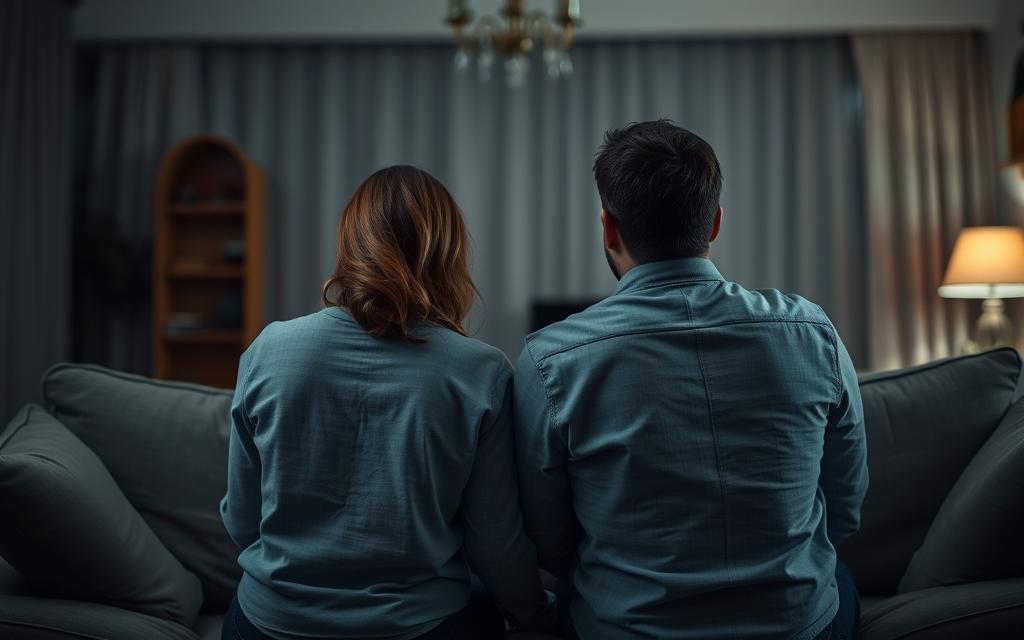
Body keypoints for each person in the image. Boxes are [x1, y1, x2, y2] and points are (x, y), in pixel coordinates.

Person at [513, 120, 868, 640]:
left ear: (609, 228)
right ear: (716, 223)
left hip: (629, 628)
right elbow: (846, 505)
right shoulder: (812, 332)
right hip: (797, 627)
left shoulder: (549, 362)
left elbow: (548, 538)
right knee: (836, 575)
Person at [221, 165, 555, 640]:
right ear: (448, 252)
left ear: (351, 244)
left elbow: (242, 520)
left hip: (269, 623)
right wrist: (541, 614)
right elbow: (495, 543)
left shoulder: (268, 350)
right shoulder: (481, 371)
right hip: (420, 626)